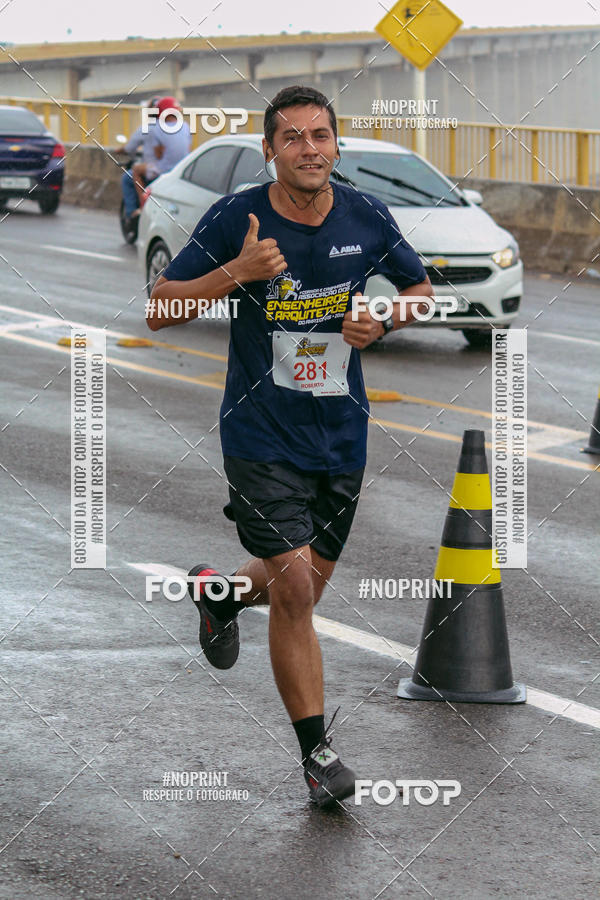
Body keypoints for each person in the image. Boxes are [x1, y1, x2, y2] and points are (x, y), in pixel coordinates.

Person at [146, 85, 432, 807]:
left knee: (294, 586)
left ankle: (221, 593)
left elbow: (423, 289)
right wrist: (235, 273)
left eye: (321, 136)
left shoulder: (366, 214)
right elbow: (159, 308)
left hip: (341, 433)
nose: (310, 149)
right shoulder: (237, 216)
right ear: (270, 149)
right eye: (294, 138)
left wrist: (386, 318)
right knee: (298, 590)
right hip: (258, 434)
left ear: (337, 145)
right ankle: (318, 757)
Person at [129, 96, 191, 210]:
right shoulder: (185, 126)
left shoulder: (156, 128)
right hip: (181, 168)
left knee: (136, 171)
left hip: (163, 168)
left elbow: (158, 155)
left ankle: (143, 203)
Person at [117, 96, 160, 221]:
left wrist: (119, 150)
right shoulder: (178, 128)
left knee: (127, 178)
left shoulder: (147, 128)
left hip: (154, 171)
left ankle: (133, 213)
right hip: (173, 171)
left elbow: (129, 148)